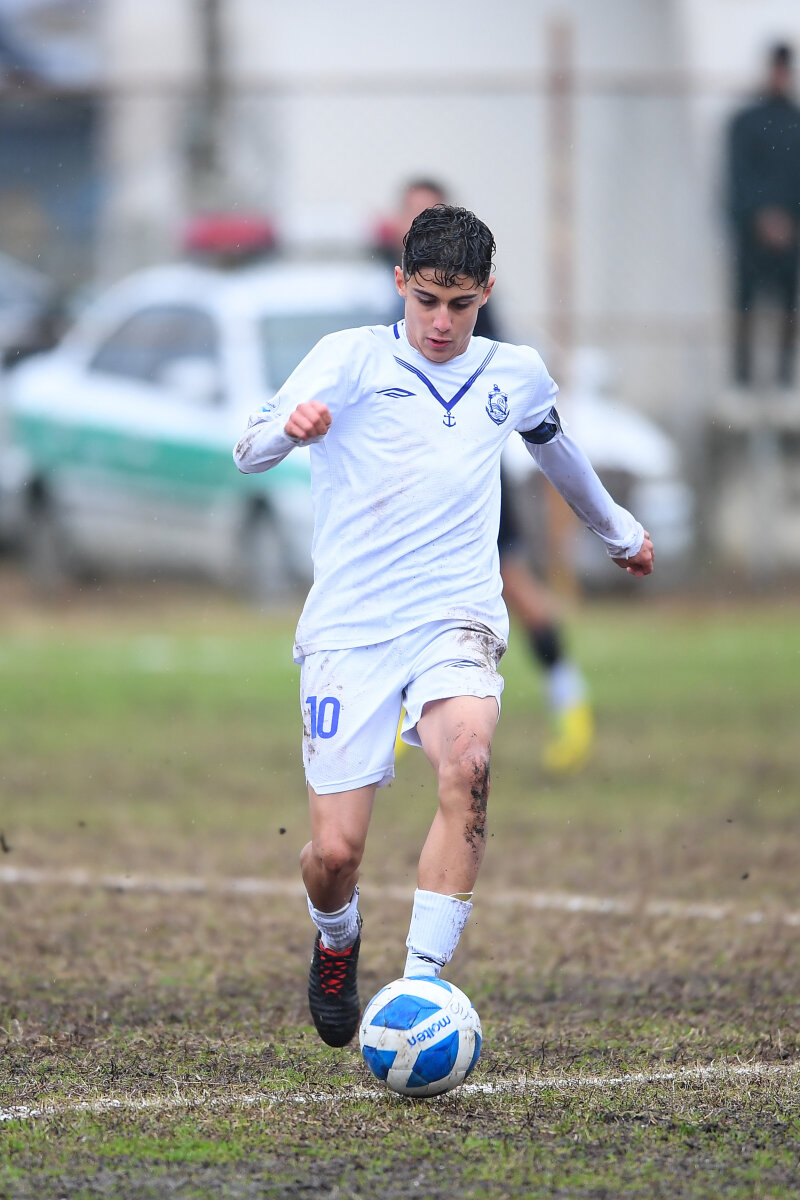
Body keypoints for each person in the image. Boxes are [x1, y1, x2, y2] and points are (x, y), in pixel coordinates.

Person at [234, 204, 654, 1049]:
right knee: (335, 854)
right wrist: (289, 427)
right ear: (401, 283)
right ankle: (337, 938)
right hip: (350, 629)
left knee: (468, 763)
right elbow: (248, 449)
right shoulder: (349, 358)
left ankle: (419, 990)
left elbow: (557, 452)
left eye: (460, 305)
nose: (440, 321)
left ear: (485, 293)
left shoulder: (514, 373)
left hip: (455, 616)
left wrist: (617, 531)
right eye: (426, 300)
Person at [375, 179, 593, 773]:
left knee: (513, 582)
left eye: (426, 211)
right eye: (409, 213)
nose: (441, 317)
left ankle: (569, 697)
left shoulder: (464, 296)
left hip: (469, 479)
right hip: (414, 480)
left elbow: (494, 380)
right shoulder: (399, 289)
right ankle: (401, 716)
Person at [726, 43, 800, 389]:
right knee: (745, 307)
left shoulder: (795, 122)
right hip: (751, 236)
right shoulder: (745, 122)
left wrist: (788, 221)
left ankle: (784, 379)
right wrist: (761, 217)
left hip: (791, 237)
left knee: (787, 309)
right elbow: (737, 177)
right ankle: (742, 379)